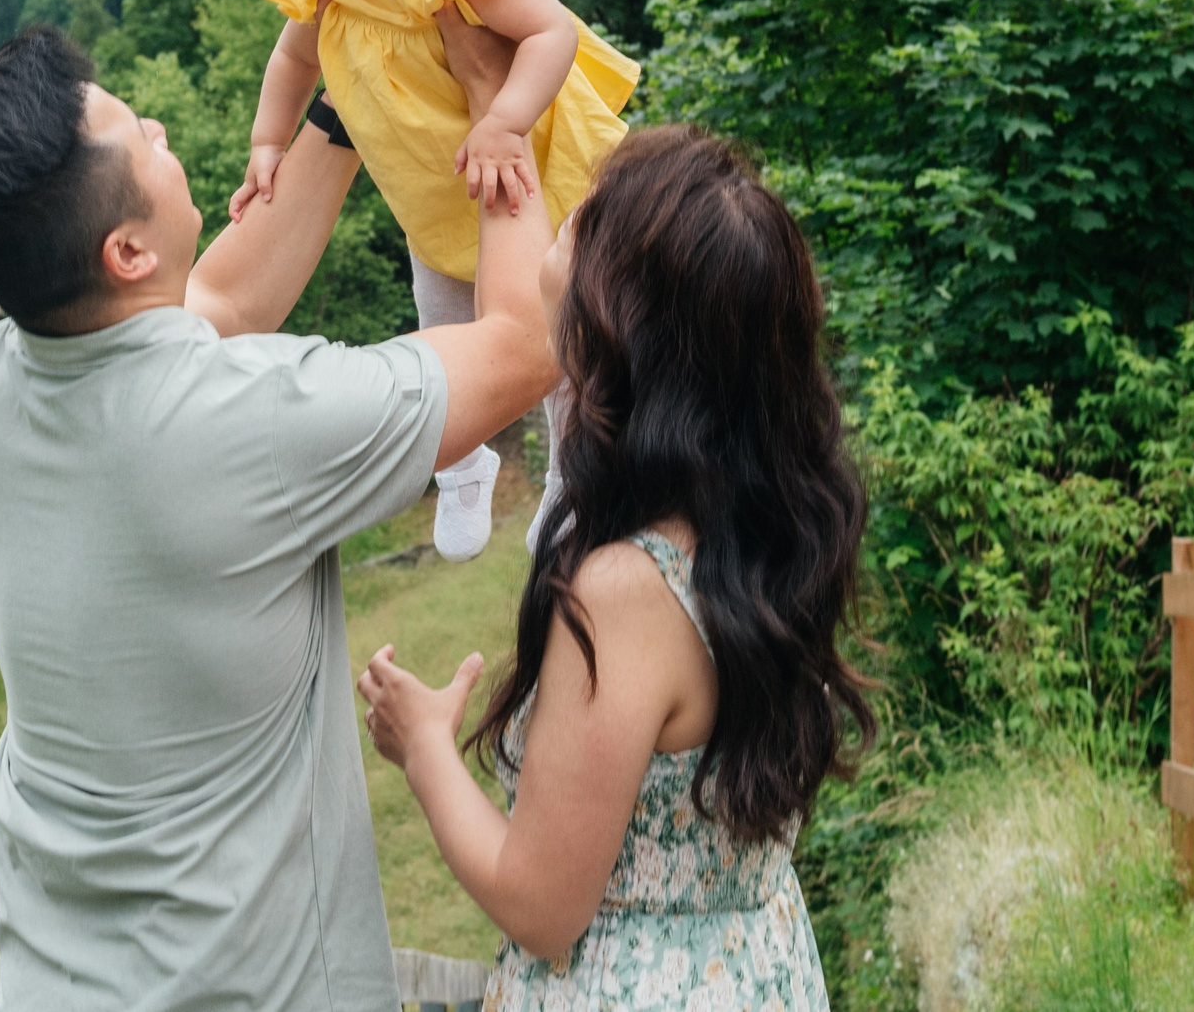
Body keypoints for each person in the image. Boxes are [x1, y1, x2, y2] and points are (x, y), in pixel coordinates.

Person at [0, 24, 557, 1012]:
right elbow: (521, 344)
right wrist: (484, 93)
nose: (161, 124)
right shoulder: (255, 419)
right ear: (124, 247)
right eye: (141, 134)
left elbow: (223, 293)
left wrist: (347, 95)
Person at [358, 127, 877, 1010]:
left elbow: (542, 905)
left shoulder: (622, 592)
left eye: (577, 224)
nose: (557, 228)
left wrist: (425, 747)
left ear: (619, 325)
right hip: (758, 968)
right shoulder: (768, 534)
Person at [219, 0, 639, 562]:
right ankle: (464, 470)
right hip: (432, 204)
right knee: (445, 343)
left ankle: (569, 488)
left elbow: (550, 31)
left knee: (565, 345)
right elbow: (293, 62)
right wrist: (267, 143)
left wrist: (506, 120)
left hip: (532, 186)